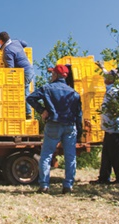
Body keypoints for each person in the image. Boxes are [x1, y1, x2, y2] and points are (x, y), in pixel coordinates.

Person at [27, 64, 83, 194]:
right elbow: (78, 114)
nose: (51, 76)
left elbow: (30, 98)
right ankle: (68, 186)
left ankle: (44, 185)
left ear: (56, 75)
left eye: (52, 73)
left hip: (53, 124)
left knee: (46, 155)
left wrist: (42, 110)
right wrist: (79, 133)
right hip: (70, 126)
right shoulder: (74, 93)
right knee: (70, 156)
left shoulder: (47, 88)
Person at [89, 62, 119, 185]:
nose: (104, 78)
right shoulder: (112, 88)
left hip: (115, 127)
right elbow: (107, 75)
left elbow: (117, 109)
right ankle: (103, 178)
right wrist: (102, 68)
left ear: (112, 79)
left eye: (107, 77)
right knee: (107, 154)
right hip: (110, 128)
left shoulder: (115, 92)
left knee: (116, 154)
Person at [0, 31, 35, 119]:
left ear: (0, 40)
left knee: (23, 92)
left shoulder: (7, 51)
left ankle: (28, 113)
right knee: (25, 90)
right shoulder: (16, 41)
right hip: (30, 69)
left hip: (24, 72)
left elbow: (11, 68)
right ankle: (27, 112)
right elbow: (25, 44)